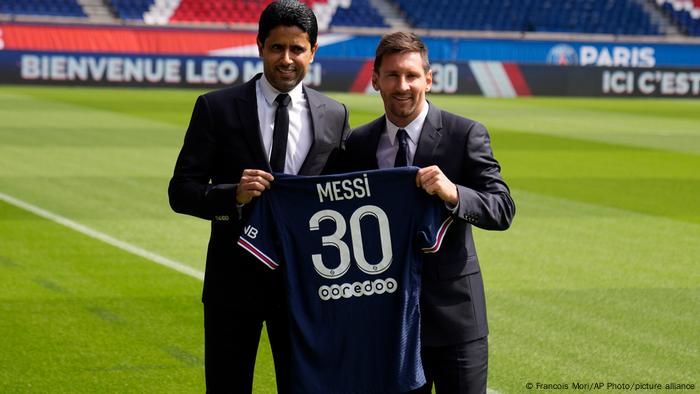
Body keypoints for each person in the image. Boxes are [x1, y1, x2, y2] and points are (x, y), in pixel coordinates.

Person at [168, 1, 349, 392]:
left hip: (305, 289)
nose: (287, 59)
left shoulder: (335, 114)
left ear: (313, 51)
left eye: (297, 49)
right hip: (233, 285)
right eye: (277, 48)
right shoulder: (215, 108)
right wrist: (233, 195)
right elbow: (181, 191)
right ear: (260, 46)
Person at [341, 32, 515, 394]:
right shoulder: (357, 144)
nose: (402, 86)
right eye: (391, 75)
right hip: (387, 322)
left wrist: (454, 193)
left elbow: (502, 209)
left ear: (429, 79)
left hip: (455, 321)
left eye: (411, 75)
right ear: (375, 80)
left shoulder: (465, 134)